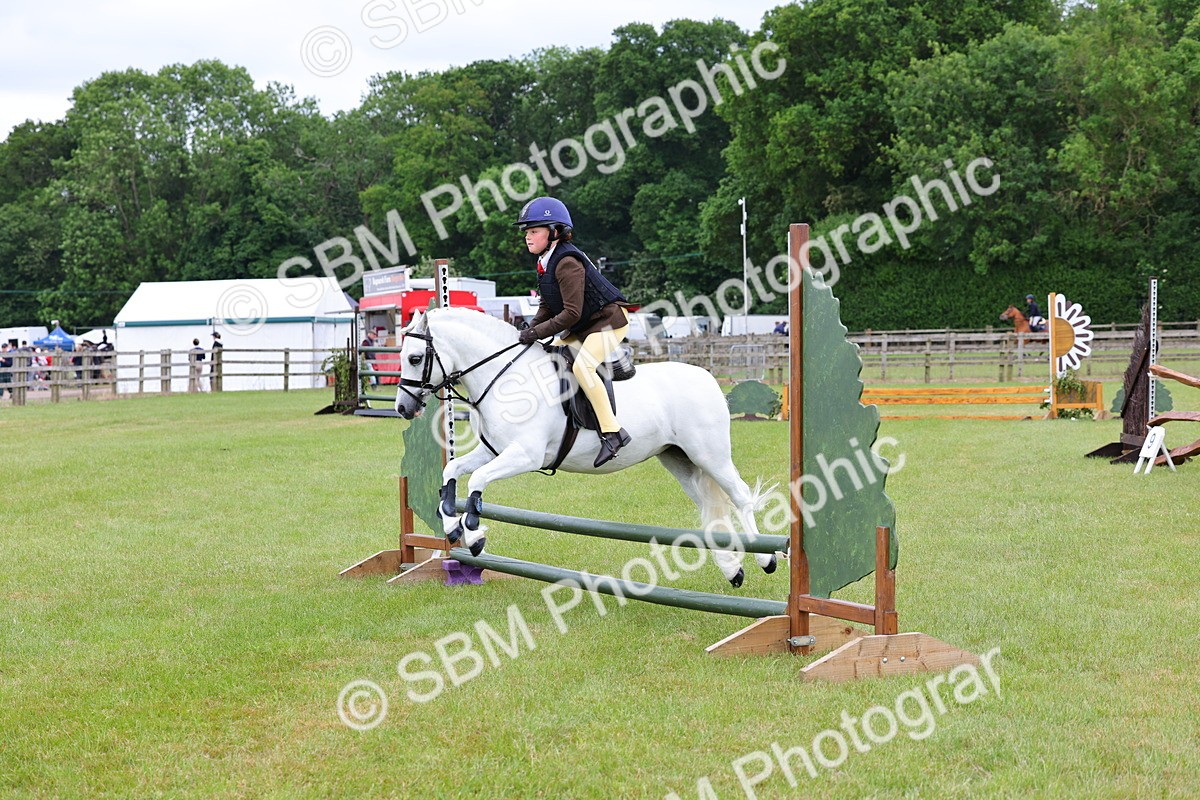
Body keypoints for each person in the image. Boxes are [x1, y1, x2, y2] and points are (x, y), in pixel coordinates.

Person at [514, 196, 633, 467]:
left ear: (555, 232)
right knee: (547, 358)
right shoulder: (546, 260)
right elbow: (547, 305)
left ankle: (613, 432)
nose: (527, 236)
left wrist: (535, 333)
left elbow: (570, 313)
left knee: (583, 368)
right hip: (584, 325)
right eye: (526, 231)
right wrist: (530, 329)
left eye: (534, 230)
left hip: (607, 321)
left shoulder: (567, 261)